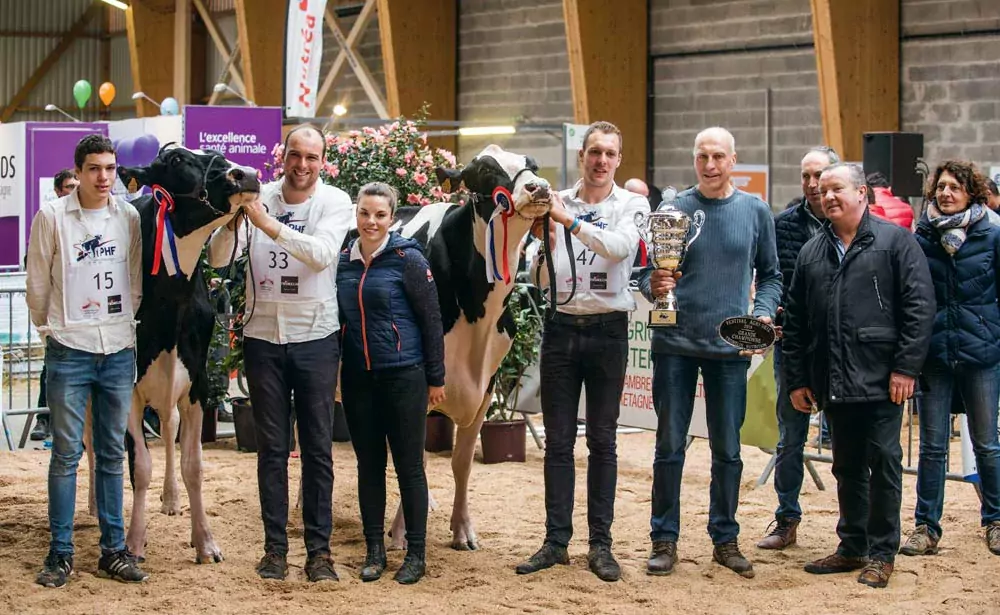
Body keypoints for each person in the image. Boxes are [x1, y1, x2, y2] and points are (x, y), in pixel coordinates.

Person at [208, 124, 353, 582]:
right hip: (263, 338)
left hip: (316, 337)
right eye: (296, 155)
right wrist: (233, 220)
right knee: (271, 449)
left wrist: (265, 222)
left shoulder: (335, 202)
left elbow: (322, 255)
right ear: (282, 156)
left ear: (322, 162)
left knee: (317, 449)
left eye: (312, 158)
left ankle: (319, 552)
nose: (303, 166)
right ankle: (274, 549)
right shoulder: (257, 195)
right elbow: (217, 258)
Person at [638, 127, 781, 578]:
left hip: (729, 349)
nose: (710, 164)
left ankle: (725, 538)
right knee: (668, 447)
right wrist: (653, 284)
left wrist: (759, 315)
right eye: (703, 156)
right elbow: (646, 273)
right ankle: (664, 538)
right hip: (674, 344)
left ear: (733, 160)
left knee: (728, 451)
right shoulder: (672, 211)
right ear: (694, 159)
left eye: (718, 156)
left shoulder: (756, 212)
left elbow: (773, 275)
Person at [783, 163, 934, 588]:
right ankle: (852, 547)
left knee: (885, 461)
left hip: (884, 379)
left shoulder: (896, 241)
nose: (827, 195)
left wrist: (905, 368)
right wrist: (797, 379)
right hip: (832, 379)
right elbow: (795, 322)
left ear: (862, 193)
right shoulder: (813, 251)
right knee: (846, 466)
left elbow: (920, 308)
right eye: (822, 189)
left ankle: (882, 553)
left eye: (837, 189)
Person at [516, 121, 649, 582]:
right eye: (595, 152)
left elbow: (617, 250)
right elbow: (536, 276)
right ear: (581, 156)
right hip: (560, 328)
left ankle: (601, 544)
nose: (602, 161)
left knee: (603, 441)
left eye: (610, 154)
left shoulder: (632, 204)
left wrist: (567, 221)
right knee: (557, 442)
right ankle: (555, 541)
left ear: (619, 159)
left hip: (609, 329)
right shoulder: (555, 202)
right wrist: (541, 246)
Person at [27, 135, 147, 587]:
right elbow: (38, 284)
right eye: (95, 168)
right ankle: (60, 553)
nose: (103, 177)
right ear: (78, 171)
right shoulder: (51, 217)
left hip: (117, 349)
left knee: (113, 453)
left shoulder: (128, 217)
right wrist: (52, 329)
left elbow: (133, 281)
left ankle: (113, 550)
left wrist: (119, 325)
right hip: (69, 349)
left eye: (111, 168)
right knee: (65, 453)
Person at [336, 182, 446, 584]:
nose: (371, 221)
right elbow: (339, 320)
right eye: (365, 213)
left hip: (405, 374)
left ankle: (415, 554)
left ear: (392, 217)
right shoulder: (343, 260)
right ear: (357, 213)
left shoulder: (408, 259)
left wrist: (436, 378)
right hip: (358, 376)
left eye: (380, 215)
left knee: (409, 467)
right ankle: (374, 550)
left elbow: (431, 320)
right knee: (369, 466)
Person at [901, 160, 1000, 557]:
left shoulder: (991, 236)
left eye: (954, 187)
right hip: (935, 354)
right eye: (940, 187)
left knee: (988, 443)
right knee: (932, 447)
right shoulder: (920, 237)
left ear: (970, 193)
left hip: (981, 353)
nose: (945, 193)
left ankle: (995, 520)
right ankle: (926, 527)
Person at [757, 145, 839, 551]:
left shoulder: (856, 225)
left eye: (818, 175)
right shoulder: (782, 224)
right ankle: (786, 518)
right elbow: (771, 277)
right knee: (790, 437)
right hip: (793, 347)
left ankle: (853, 523)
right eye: (805, 176)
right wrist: (768, 313)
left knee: (846, 440)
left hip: (844, 353)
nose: (811, 184)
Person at [30, 169, 80, 442]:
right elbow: (36, 269)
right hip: (57, 315)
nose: (74, 190)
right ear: (59, 190)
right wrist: (43, 320)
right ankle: (43, 419)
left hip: (86, 315)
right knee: (50, 369)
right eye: (69, 186)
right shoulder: (49, 218)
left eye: (77, 185)